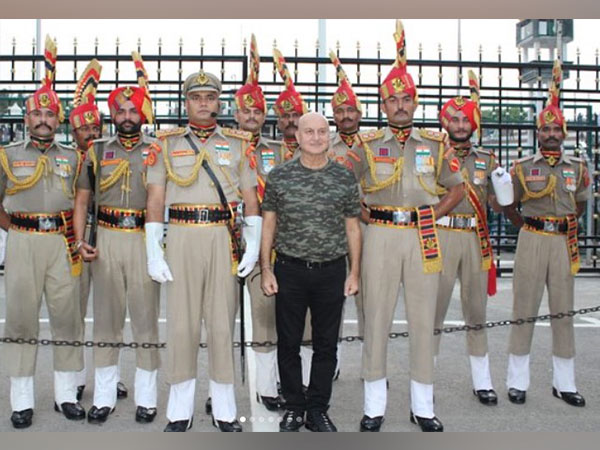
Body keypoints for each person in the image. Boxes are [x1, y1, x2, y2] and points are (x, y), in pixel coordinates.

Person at [357, 20, 464, 432]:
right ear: (383, 105)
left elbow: (457, 187)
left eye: (406, 99)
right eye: (392, 100)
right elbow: (345, 187)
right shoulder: (367, 146)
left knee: (423, 320)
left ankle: (422, 406)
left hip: (422, 235)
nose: (399, 105)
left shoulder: (437, 146)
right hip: (380, 235)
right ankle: (374, 407)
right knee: (376, 318)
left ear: (415, 102)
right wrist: (363, 214)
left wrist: (433, 214)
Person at [145, 69, 261, 432]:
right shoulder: (165, 143)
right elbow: (155, 199)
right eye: (196, 97)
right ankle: (180, 411)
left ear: (218, 101)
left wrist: (254, 244)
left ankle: (225, 409)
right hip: (180, 234)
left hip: (221, 237)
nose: (204, 103)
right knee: (181, 324)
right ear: (187, 102)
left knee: (222, 324)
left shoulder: (240, 144)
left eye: (210, 97)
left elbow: (250, 198)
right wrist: (153, 249)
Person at [0, 36, 85, 428]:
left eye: (51, 115)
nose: (44, 120)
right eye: (38, 115)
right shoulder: (9, 155)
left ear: (59, 119)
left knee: (66, 317)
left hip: (60, 242)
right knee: (20, 318)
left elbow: (81, 202)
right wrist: (17, 228)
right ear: (26, 119)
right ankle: (21, 400)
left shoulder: (72, 157)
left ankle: (66, 395)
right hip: (22, 242)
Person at [73, 52, 160, 424]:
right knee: (106, 320)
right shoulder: (95, 151)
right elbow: (82, 200)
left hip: (142, 237)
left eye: (133, 110)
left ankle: (147, 398)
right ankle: (104, 396)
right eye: (121, 110)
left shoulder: (158, 151)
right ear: (112, 114)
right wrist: (80, 241)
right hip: (106, 238)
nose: (127, 116)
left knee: (145, 320)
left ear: (142, 115)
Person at [261, 112, 362, 432]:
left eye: (322, 131)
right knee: (288, 342)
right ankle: (293, 406)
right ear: (299, 136)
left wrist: (354, 272)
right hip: (289, 269)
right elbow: (269, 224)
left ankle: (317, 409)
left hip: (331, 271)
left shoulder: (344, 177)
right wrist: (266, 269)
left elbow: (353, 229)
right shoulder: (279, 176)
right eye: (309, 131)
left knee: (326, 344)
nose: (316, 137)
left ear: (329, 136)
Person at [503, 60, 590, 407]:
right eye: (545, 130)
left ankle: (564, 384)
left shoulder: (578, 168)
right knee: (524, 308)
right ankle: (517, 382)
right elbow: (511, 205)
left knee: (563, 312)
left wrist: (562, 223)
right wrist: (527, 226)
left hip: (562, 241)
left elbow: (581, 205)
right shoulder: (523, 168)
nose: (551, 134)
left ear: (564, 133)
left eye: (557, 130)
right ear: (538, 134)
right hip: (532, 239)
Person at [433, 70, 500, 405]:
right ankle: (424, 380)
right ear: (445, 122)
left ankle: (483, 382)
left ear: (474, 124)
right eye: (454, 119)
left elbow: (498, 206)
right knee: (434, 311)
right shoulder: (433, 155)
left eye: (465, 119)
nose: (460, 125)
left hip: (475, 238)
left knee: (476, 311)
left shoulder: (487, 160)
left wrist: (504, 189)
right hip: (443, 235)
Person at [68, 59, 129, 403]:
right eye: (83, 130)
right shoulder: (64, 160)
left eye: (95, 128)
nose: (90, 134)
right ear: (74, 131)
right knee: (72, 311)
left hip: (106, 235)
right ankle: (75, 377)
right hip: (70, 240)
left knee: (112, 311)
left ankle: (112, 376)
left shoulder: (106, 154)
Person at [235, 34, 285, 411]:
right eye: (245, 111)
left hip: (267, 245)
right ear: (235, 114)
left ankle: (268, 387)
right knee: (218, 319)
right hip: (221, 243)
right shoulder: (220, 147)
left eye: (257, 112)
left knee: (265, 318)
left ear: (264, 115)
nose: (251, 117)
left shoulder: (281, 153)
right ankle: (217, 392)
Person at [272, 47, 314, 387]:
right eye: (284, 116)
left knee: (312, 325)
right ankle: (275, 383)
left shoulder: (319, 155)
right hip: (274, 248)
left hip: (310, 250)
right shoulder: (261, 151)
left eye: (295, 116)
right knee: (275, 321)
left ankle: (311, 383)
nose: (289, 120)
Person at [328, 50, 366, 379]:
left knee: (371, 302)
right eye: (340, 110)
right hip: (337, 235)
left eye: (350, 109)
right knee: (333, 302)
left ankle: (372, 361)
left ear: (359, 111)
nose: (346, 115)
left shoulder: (374, 144)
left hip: (371, 231)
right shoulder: (323, 147)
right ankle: (333, 358)